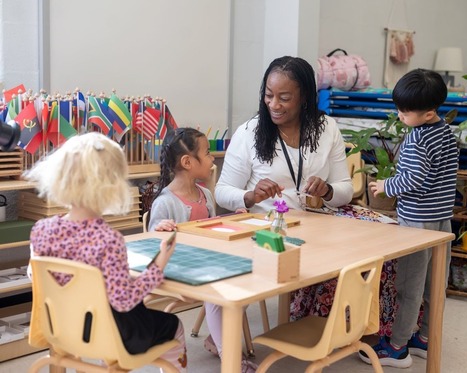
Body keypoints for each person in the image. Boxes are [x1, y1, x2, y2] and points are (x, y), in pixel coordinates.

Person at [25, 132, 187, 372]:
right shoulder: (108, 240)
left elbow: (33, 274)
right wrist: (159, 264)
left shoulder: (41, 230)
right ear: (112, 185)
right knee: (174, 325)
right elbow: (124, 301)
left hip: (61, 327)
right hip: (110, 334)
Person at [215, 56, 353, 320]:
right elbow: (222, 191)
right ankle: (308, 321)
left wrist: (327, 191)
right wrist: (250, 195)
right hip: (268, 228)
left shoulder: (327, 129)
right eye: (269, 95)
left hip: (318, 224)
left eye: (284, 98)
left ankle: (338, 326)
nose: (274, 105)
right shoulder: (249, 133)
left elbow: (345, 189)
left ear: (304, 98)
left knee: (368, 255)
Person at [359, 68, 458, 368]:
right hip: (442, 220)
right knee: (434, 284)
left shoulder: (417, 139)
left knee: (409, 286)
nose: (400, 115)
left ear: (428, 114)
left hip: (417, 223)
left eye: (405, 111)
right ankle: (425, 338)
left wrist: (385, 185)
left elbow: (413, 179)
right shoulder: (447, 133)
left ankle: (398, 346)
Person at [148, 127, 257, 373]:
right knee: (222, 294)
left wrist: (233, 220)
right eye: (207, 153)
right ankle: (231, 361)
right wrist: (159, 228)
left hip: (206, 265)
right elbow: (151, 240)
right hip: (180, 271)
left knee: (245, 285)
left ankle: (216, 339)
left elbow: (210, 231)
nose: (211, 159)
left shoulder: (206, 195)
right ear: (188, 162)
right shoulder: (165, 201)